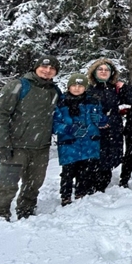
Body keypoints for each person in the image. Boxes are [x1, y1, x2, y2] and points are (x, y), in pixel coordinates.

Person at [0, 56, 62, 220]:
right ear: (36, 67)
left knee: (34, 184)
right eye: (44, 67)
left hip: (41, 146)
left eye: (52, 68)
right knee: (8, 184)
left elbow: (57, 116)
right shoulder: (18, 86)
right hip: (16, 145)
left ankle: (26, 210)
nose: (47, 70)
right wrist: (3, 144)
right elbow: (0, 115)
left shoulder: (54, 91)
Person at [53, 73, 105, 206]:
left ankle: (81, 192)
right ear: (68, 86)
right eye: (74, 85)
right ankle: (66, 195)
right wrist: (68, 129)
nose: (77, 88)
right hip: (69, 145)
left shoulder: (93, 101)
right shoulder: (61, 102)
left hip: (89, 143)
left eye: (80, 85)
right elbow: (54, 124)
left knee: (85, 170)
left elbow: (102, 118)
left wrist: (101, 120)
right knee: (68, 172)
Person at [86, 58, 124, 192]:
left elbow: (131, 100)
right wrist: (97, 120)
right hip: (94, 130)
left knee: (109, 157)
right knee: (93, 158)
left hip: (113, 129)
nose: (103, 72)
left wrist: (124, 88)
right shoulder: (88, 89)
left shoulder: (116, 89)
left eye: (106, 70)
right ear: (94, 72)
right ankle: (90, 185)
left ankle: (103, 184)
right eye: (100, 69)